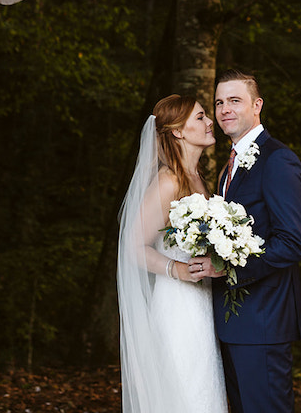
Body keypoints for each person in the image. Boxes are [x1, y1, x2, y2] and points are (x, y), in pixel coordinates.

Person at [188, 69, 301, 413]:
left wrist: (224, 267)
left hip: (264, 320)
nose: (224, 109)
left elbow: (291, 242)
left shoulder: (277, 159)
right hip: (234, 322)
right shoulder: (229, 166)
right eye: (219, 102)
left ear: (257, 105)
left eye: (234, 100)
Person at [117, 94, 228, 413]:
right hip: (177, 306)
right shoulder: (167, 181)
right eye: (201, 117)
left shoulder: (199, 179)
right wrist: (176, 270)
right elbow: (133, 248)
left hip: (203, 303)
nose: (210, 122)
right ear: (178, 131)